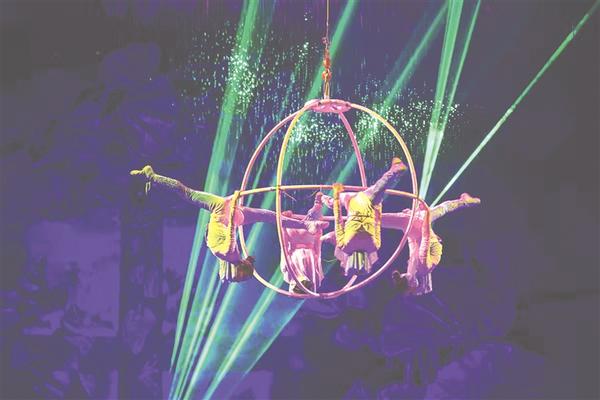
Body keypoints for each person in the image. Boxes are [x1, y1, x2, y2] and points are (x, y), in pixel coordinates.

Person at [130, 165, 328, 283]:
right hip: (225, 211)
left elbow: (228, 232)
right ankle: (152, 177)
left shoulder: (228, 255)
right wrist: (232, 205)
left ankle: (153, 180)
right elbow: (230, 231)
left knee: (270, 216)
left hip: (228, 213)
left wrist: (232, 206)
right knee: (187, 193)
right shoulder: (228, 255)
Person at [320, 158, 408, 276]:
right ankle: (325, 199)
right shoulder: (344, 246)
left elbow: (377, 222)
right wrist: (336, 194)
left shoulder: (374, 247)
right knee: (377, 188)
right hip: (355, 203)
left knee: (380, 188)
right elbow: (338, 220)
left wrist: (378, 205)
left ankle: (394, 170)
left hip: (367, 204)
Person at [383, 193, 481, 295]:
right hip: (422, 231)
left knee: (441, 209)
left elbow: (413, 245)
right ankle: (464, 202)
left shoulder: (414, 271)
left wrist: (411, 226)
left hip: (421, 233)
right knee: (406, 219)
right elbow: (424, 238)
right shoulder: (422, 267)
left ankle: (465, 202)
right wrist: (425, 213)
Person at [280, 192, 327, 294]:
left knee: (309, 224)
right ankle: (317, 205)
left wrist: (283, 224)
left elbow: (284, 245)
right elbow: (318, 245)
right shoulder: (311, 274)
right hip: (306, 246)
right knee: (312, 222)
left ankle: (316, 206)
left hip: (297, 245)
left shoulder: (290, 275)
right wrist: (319, 233)